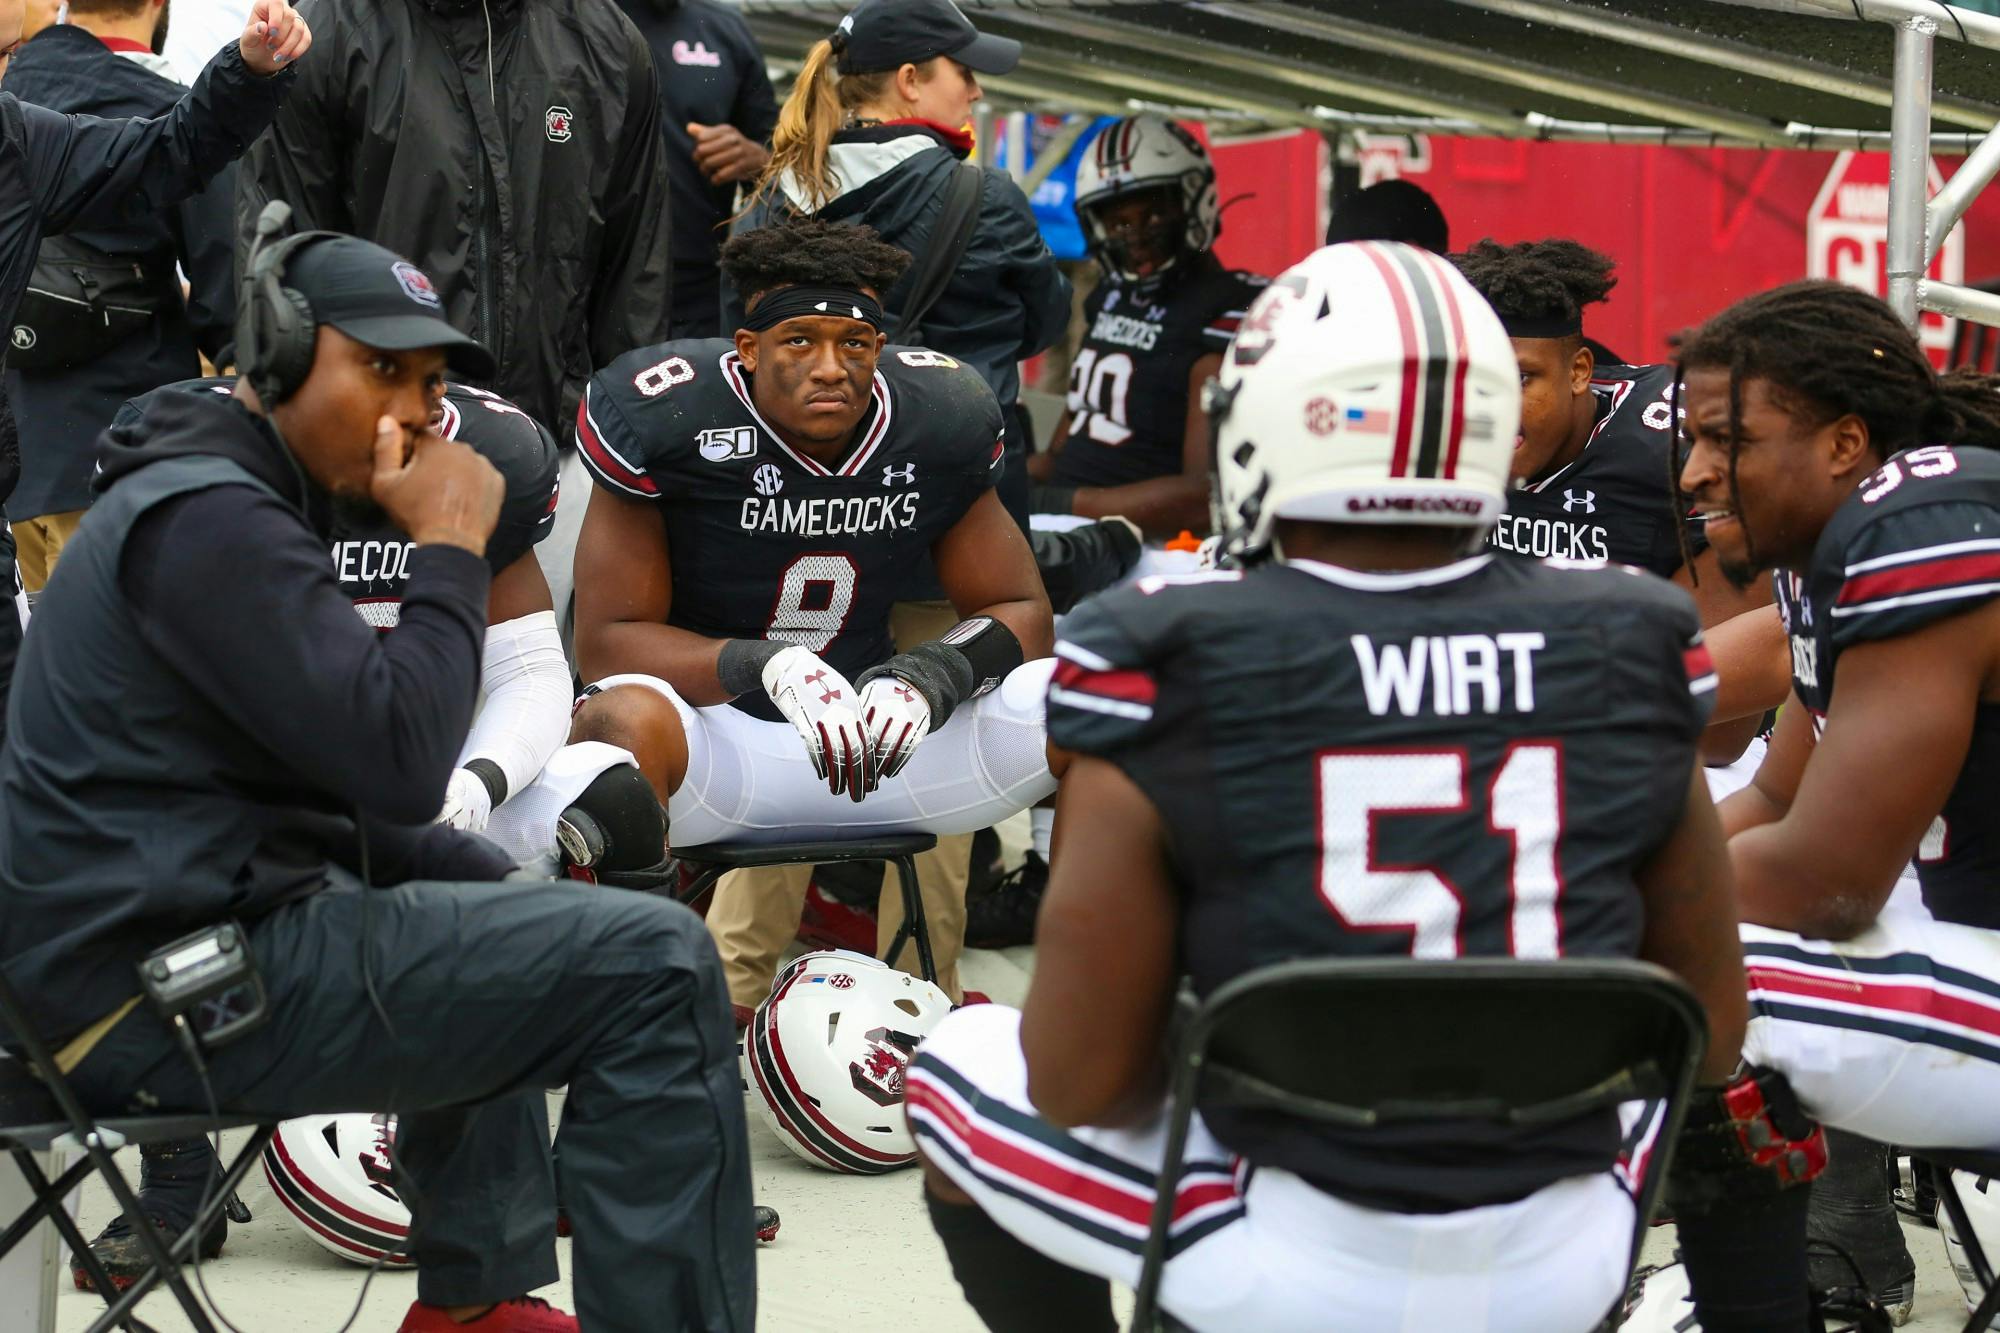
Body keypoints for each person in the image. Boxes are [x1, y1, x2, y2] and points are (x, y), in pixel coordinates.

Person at [905, 241, 1750, 1333]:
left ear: (1270, 423)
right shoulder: (1634, 632)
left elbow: (1078, 1080)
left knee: (954, 1061)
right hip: (1560, 1256)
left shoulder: (1160, 648)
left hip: (1297, 1263)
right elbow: (1710, 1027)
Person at [0, 228, 753, 1333]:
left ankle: (476, 1306)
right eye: (381, 369)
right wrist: (450, 543)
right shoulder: (210, 516)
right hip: (142, 1001)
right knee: (660, 961)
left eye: (432, 384)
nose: (414, 411)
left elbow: (326, 795)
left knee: (495, 913)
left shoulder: (231, 498)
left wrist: (491, 888)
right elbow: (400, 765)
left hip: (155, 960)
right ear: (277, 355)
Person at [513, 217, 1054, 1019]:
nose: (831, 367)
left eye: (855, 342)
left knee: (1090, 696)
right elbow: (608, 641)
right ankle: (636, 1014)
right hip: (724, 744)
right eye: (799, 340)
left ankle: (1088, 1004)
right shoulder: (669, 413)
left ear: (880, 346)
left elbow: (1023, 607)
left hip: (881, 745)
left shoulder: (939, 413)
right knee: (615, 720)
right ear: (748, 348)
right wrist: (760, 663)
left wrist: (934, 673)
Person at [1665, 280, 2000, 1331]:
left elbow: (1826, 880)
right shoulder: (1831, 551)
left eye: (1728, 440)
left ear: (1846, 443)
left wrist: (1564, 903)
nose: (1694, 470)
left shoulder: (1919, 525)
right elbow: (1774, 796)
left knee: (1698, 983)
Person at [238, 0, 677, 635]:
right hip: (376, 451)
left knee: (537, 678)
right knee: (365, 676)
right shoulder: (331, 28)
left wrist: (628, 440)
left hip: (557, 443)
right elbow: (282, 258)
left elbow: (636, 261)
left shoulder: (605, 37)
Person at [0, 0, 306, 746]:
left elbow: (169, 150)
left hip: (40, 488)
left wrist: (246, 71)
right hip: (101, 480)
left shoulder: (16, 136)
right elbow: (228, 294)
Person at [730, 0, 1070, 527]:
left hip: (802, 502)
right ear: (910, 80)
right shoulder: (985, 196)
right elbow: (1047, 321)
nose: (976, 92)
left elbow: (735, 342)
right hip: (961, 499)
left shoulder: (769, 198)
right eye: (965, 72)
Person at [1451, 237, 1783, 760]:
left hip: (1674, 753)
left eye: (1521, 377)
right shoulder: (1431, 437)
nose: (1491, 406)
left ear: (1579, 371)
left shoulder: (1682, 451)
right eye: (1472, 380)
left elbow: (1715, 738)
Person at [4, 0, 238, 597]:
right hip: (124, 462)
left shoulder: (12, 100)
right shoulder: (167, 114)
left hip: (14, 471)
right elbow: (230, 295)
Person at [1028, 115, 1265, 540]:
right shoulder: (1110, 295)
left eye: (1153, 216)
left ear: (1193, 202)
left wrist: (1062, 504)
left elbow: (1203, 497)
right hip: (1071, 529)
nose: (1135, 236)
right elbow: (1065, 450)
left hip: (1149, 546)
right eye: (1119, 223)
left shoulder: (1225, 307)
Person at [614, 0, 779, 339]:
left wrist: (755, 158)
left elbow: (779, 154)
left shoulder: (725, 27)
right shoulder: (578, 18)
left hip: (697, 290)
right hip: (594, 279)